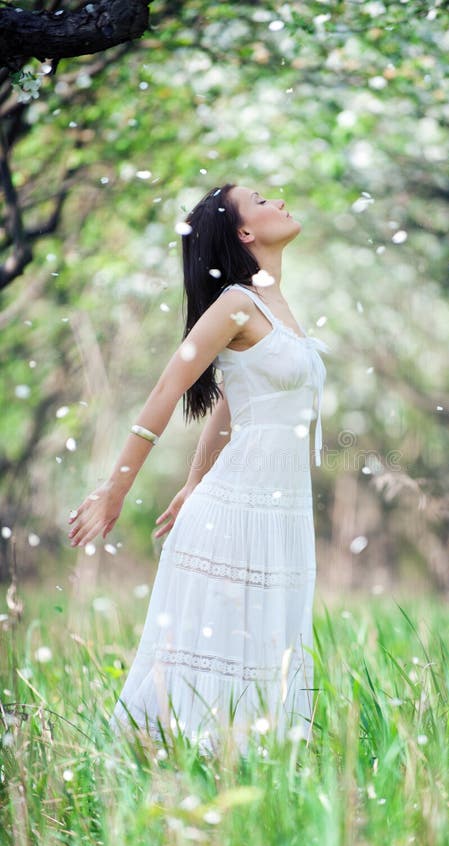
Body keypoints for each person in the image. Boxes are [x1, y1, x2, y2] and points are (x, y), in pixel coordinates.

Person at [67, 183, 329, 758]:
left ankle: (246, 780)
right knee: (215, 660)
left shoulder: (276, 304)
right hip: (236, 513)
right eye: (261, 201)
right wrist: (116, 488)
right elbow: (169, 386)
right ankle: (171, 780)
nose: (281, 201)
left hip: (277, 511)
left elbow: (234, 405)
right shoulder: (236, 302)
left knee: (266, 649)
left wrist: (192, 484)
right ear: (244, 233)